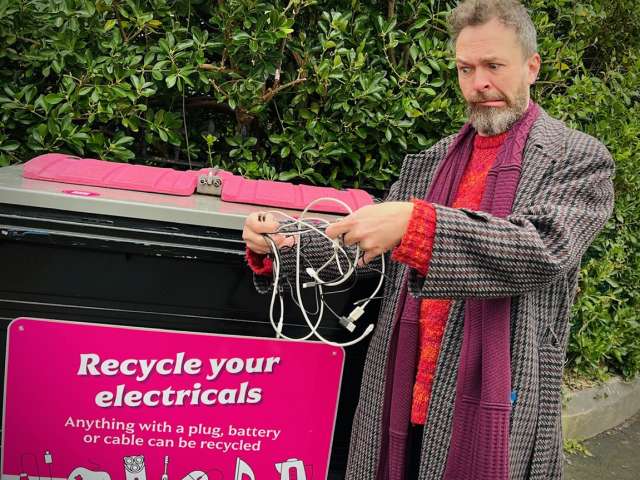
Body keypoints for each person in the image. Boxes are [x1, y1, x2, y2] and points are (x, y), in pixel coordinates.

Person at [242, 0, 615, 478]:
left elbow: (543, 249)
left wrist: (416, 226)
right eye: (465, 68)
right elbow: (373, 252)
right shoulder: (429, 162)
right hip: (402, 388)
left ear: (531, 67)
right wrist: (281, 244)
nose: (478, 83)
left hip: (500, 397)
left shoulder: (577, 158)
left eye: (494, 66)